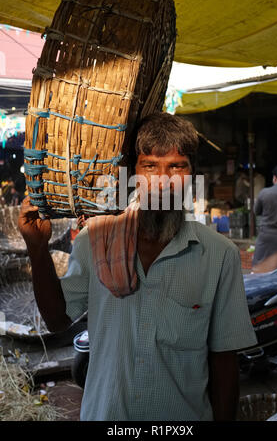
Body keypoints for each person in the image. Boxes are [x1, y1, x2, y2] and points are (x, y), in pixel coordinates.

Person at [18, 112, 257, 422]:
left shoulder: (219, 255)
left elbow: (224, 363)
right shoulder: (96, 240)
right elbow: (58, 320)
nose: (162, 180)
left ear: (192, 174)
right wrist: (37, 250)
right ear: (133, 174)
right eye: (150, 166)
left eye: (176, 166)